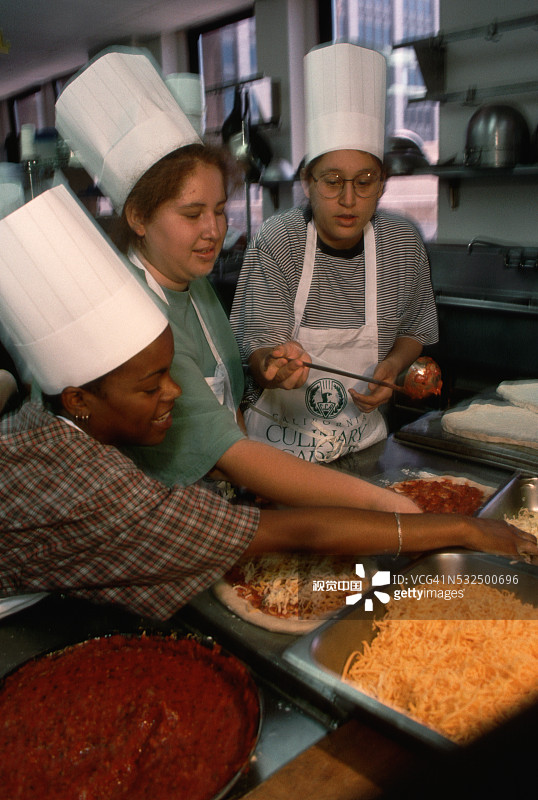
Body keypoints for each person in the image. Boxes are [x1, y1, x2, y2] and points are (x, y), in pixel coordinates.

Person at [1, 187, 535, 622]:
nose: (176, 392)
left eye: (219, 209)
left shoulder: (49, 421)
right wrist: (461, 529)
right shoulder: (102, 491)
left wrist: (261, 369)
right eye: (152, 386)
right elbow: (293, 532)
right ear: (77, 398)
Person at [55, 47, 421, 514]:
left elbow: (229, 399)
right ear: (139, 216)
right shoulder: (138, 315)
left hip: (222, 501)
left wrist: (268, 364)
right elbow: (226, 450)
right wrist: (392, 507)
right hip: (166, 516)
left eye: (220, 210)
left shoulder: (192, 281)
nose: (214, 231)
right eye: (192, 214)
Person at [230, 42, 439, 463]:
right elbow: (255, 351)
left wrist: (393, 366)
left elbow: (417, 326)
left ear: (382, 183)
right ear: (307, 181)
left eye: (364, 181)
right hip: (279, 454)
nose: (349, 199)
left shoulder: (401, 244)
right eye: (332, 181)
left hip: (363, 447)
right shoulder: (280, 239)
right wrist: (276, 365)